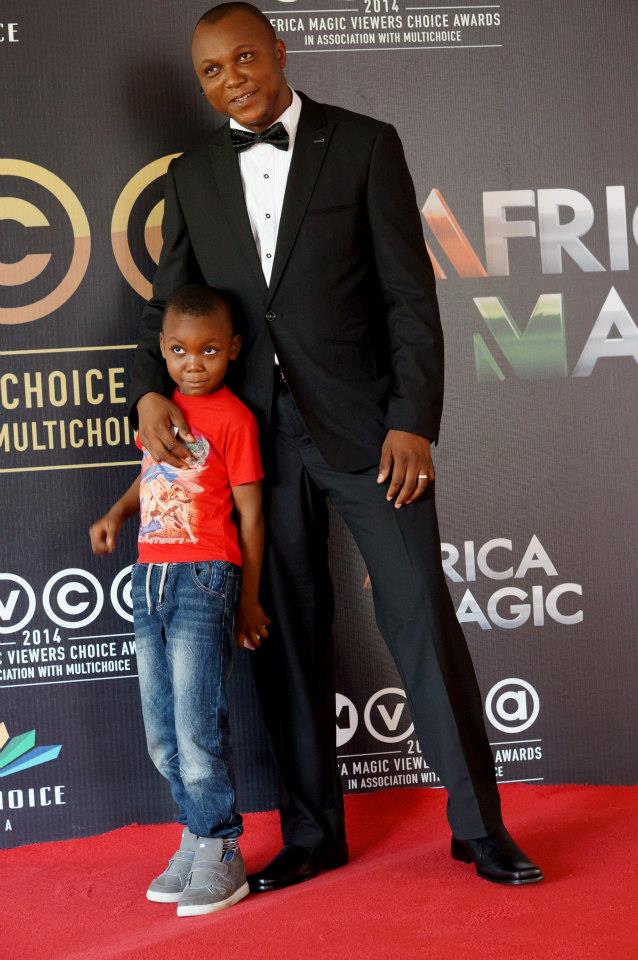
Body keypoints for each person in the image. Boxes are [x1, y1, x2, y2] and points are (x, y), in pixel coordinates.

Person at [129, 2, 543, 889]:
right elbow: (174, 308)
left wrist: (414, 420)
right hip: (253, 452)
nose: (231, 77)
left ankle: (479, 827)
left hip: (368, 435)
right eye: (210, 69)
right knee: (285, 640)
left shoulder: (363, 143)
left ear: (279, 52)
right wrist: (151, 390)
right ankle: (315, 835)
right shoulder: (191, 175)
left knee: (422, 621)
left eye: (245, 57)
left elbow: (408, 296)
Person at [90, 284, 269, 915]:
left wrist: (247, 597)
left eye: (210, 350)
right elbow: (153, 479)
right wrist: (116, 512)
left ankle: (222, 848)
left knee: (198, 728)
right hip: (150, 577)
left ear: (233, 350)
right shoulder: (160, 414)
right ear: (162, 353)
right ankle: (195, 835)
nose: (195, 362)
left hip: (204, 579)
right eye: (180, 350)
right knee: (161, 734)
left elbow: (250, 514)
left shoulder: (235, 420)